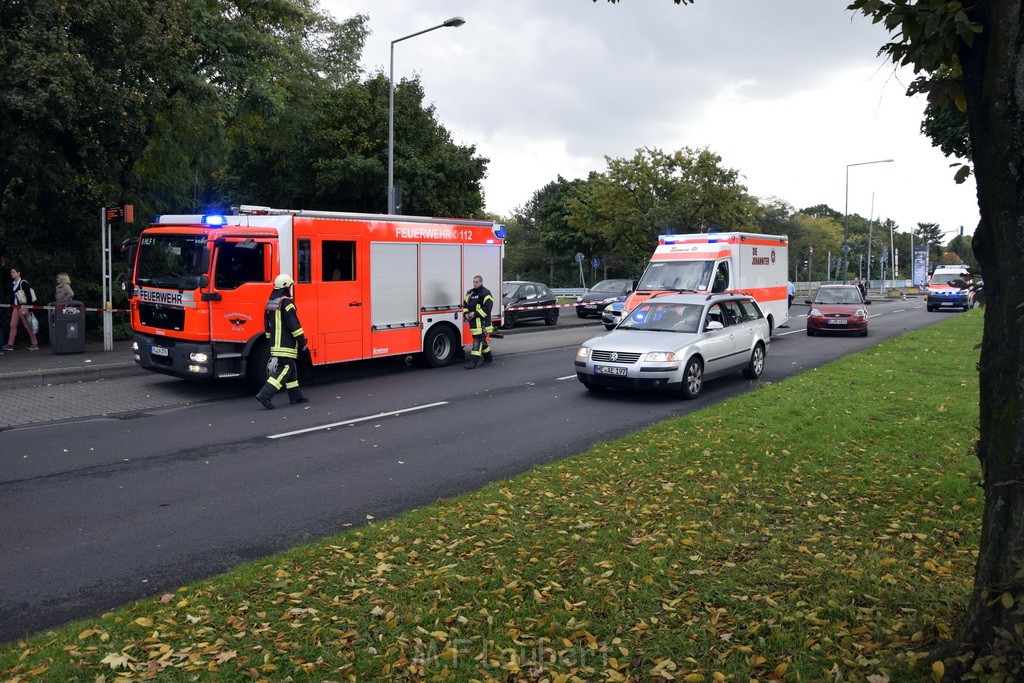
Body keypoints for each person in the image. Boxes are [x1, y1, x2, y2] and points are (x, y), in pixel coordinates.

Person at [255, 274, 309, 409]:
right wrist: (302, 341)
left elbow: (266, 325)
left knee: (292, 368)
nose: (291, 288)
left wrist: (270, 341)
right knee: (285, 368)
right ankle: (265, 394)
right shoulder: (287, 303)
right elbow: (294, 325)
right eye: (290, 286)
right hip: (286, 344)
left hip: (275, 343)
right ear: (286, 287)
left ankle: (296, 396)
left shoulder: (270, 303)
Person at [462, 275, 494, 369]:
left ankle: (473, 363)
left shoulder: (486, 293)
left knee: (477, 342)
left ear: (481, 282)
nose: (475, 284)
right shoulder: (469, 293)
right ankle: (489, 359)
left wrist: (474, 314)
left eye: (476, 282)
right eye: (474, 282)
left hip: (483, 324)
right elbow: (465, 306)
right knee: (482, 341)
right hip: (474, 324)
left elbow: (487, 309)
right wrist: (466, 314)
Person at [6, 267, 39, 351]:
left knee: (27, 325)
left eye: (13, 272)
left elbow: (28, 296)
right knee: (12, 325)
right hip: (16, 307)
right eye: (11, 272)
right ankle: (10, 344)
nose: (11, 274)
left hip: (24, 307)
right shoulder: (13, 284)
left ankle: (34, 343)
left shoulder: (23, 283)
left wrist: (30, 308)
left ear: (18, 273)